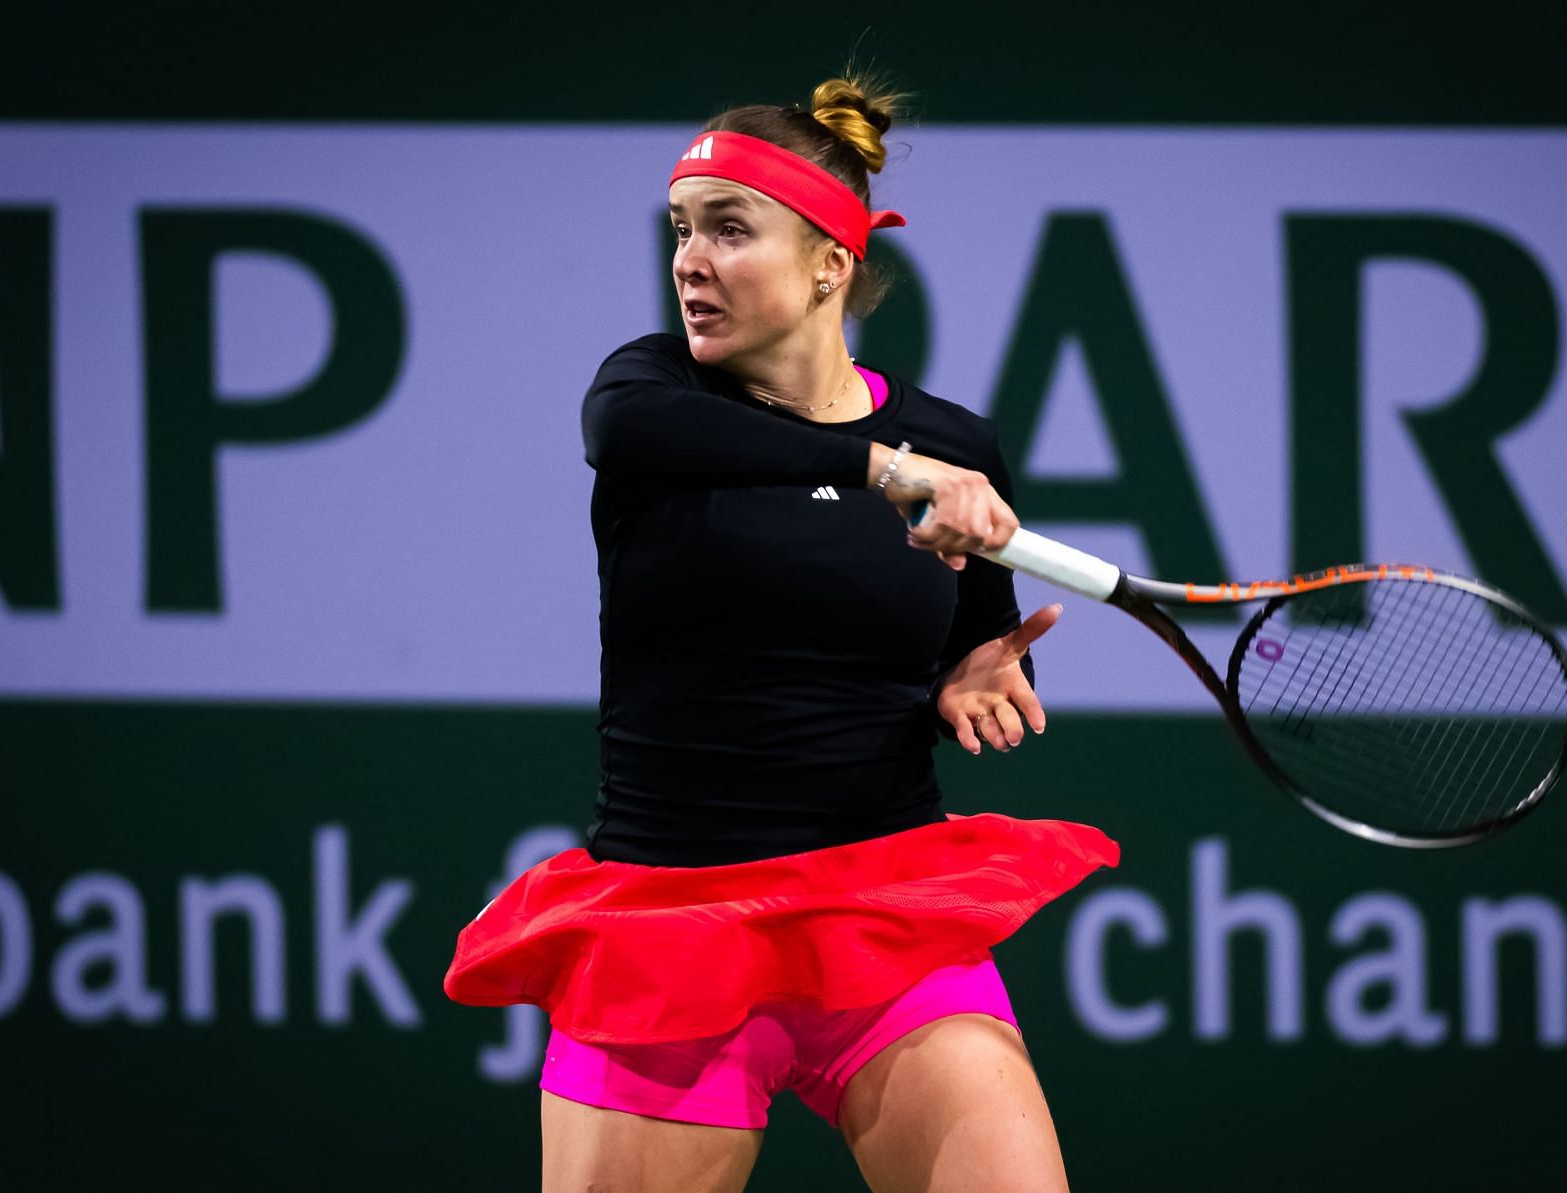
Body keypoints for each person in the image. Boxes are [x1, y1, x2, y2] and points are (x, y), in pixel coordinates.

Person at [445, 75, 1117, 1193]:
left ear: (830, 266)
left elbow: (977, 631)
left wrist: (977, 672)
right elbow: (628, 425)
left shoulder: (956, 444)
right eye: (681, 230)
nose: (689, 261)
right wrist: (880, 466)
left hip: (882, 923)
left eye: (729, 228)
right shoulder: (651, 392)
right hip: (668, 931)